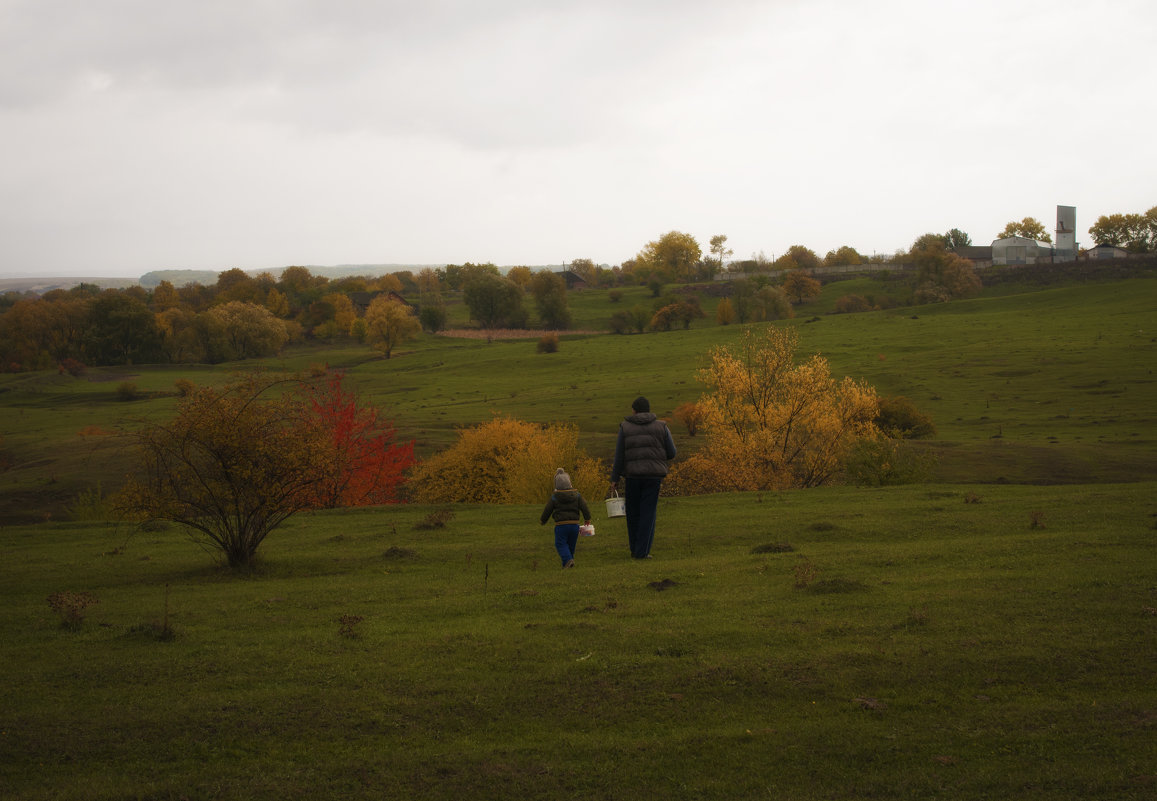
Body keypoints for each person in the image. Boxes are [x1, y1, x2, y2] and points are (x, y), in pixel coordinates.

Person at [609, 396, 677, 559]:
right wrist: (657, 458)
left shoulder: (625, 427)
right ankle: (642, 551)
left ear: (634, 410)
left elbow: (619, 456)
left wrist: (615, 478)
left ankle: (635, 550)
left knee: (632, 514)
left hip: (632, 476)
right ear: (648, 410)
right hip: (653, 477)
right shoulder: (662, 426)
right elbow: (672, 452)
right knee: (648, 513)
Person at [539, 468, 592, 568]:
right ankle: (568, 564)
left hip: (561, 526)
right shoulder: (577, 495)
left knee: (560, 544)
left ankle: (568, 560)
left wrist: (543, 520)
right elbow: (584, 506)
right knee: (570, 545)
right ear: (569, 482)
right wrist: (587, 518)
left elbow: (548, 509)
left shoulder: (555, 497)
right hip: (574, 525)